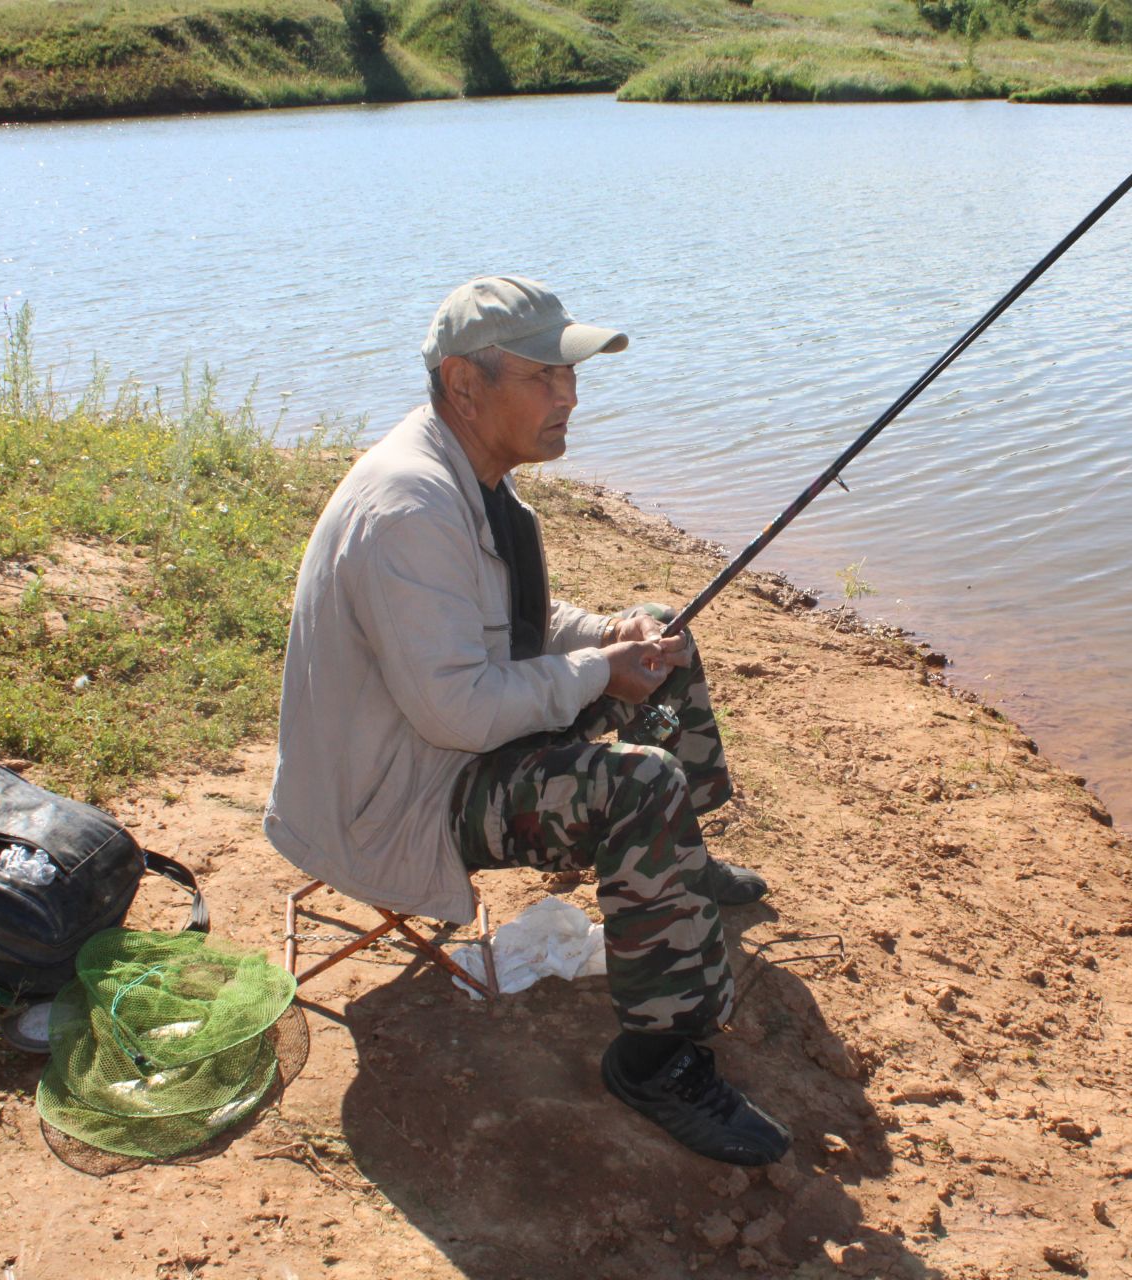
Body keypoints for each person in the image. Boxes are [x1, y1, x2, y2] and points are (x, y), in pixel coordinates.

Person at [265, 275, 789, 1166]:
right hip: (400, 797)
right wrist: (594, 673)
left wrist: (609, 639)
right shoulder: (411, 506)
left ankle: (682, 864)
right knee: (638, 783)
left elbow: (509, 625)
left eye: (570, 376)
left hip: (438, 747)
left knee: (664, 637)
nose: (570, 396)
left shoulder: (474, 477)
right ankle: (656, 1059)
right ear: (467, 386)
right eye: (545, 377)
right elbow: (460, 709)